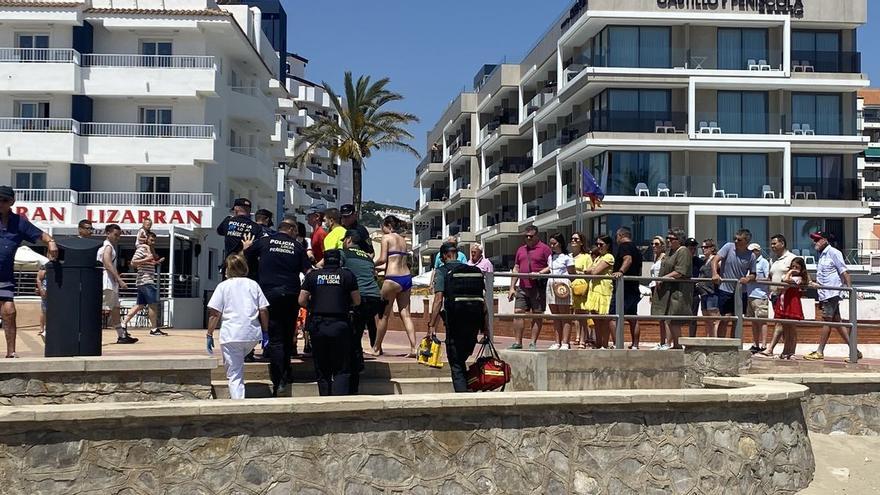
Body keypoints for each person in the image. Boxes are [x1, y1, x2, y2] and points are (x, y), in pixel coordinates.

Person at [242, 216, 310, 396]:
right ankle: (285, 374)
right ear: (293, 230)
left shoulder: (264, 242)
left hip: (268, 295)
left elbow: (245, 258)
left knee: (275, 338)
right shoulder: (298, 247)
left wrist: (246, 247)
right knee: (287, 335)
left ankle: (279, 380)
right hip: (291, 295)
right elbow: (307, 272)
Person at [0, 186, 57, 358]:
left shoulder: (19, 222)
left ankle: (11, 352)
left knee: (9, 312)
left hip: (4, 277)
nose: (0, 203)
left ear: (11, 202)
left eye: (4, 200)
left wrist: (51, 242)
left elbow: (41, 235)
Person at [298, 249, 361, 396]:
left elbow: (301, 300)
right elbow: (357, 300)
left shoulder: (313, 276)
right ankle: (340, 402)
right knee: (342, 367)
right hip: (340, 324)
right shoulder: (347, 275)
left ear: (324, 260)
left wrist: (313, 306)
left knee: (322, 366)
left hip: (318, 324)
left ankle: (324, 399)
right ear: (339, 260)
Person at [206, 254, 269, 400]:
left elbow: (215, 313)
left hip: (232, 335)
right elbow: (263, 310)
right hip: (252, 334)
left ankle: (238, 402)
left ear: (228, 269)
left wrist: (209, 334)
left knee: (234, 373)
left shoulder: (223, 286)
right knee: (236, 361)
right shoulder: (253, 285)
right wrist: (265, 332)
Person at [428, 242, 486, 392]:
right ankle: (468, 388)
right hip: (474, 323)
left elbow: (438, 299)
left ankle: (463, 396)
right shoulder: (474, 271)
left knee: (456, 362)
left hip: (455, 323)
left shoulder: (442, 271)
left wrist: (431, 326)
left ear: (445, 256)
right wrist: (486, 328)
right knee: (462, 359)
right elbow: (483, 302)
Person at [804, 231, 861, 361]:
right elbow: (826, 276)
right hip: (825, 293)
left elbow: (844, 271)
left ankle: (819, 351)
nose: (815, 242)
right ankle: (854, 350)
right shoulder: (822, 255)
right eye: (814, 240)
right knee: (837, 322)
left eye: (817, 239)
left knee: (826, 320)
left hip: (832, 293)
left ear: (825, 240)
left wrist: (850, 289)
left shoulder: (834, 252)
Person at [341, 229, 382, 393]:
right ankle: (357, 365)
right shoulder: (367, 256)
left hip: (359, 297)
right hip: (374, 298)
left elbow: (328, 267)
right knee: (356, 332)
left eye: (344, 240)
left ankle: (354, 369)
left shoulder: (344, 253)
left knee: (352, 334)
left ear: (349, 240)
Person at [373, 215, 417, 356]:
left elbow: (383, 259)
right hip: (406, 277)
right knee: (406, 314)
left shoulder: (387, 238)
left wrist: (371, 264)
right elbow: (395, 259)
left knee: (383, 316)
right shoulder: (403, 240)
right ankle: (413, 347)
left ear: (387, 225)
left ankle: (376, 347)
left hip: (392, 279)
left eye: (382, 227)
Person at [508, 226, 552, 350]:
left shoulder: (545, 249)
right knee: (518, 313)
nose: (528, 238)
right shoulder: (521, 250)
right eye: (526, 236)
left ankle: (533, 342)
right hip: (522, 287)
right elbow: (516, 267)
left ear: (537, 236)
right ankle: (518, 342)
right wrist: (512, 287)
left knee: (537, 314)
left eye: (531, 236)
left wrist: (540, 273)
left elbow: (551, 266)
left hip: (538, 287)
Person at [651, 228, 692, 350]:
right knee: (668, 319)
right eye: (667, 238)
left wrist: (663, 278)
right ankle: (674, 345)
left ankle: (678, 346)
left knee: (674, 320)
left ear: (679, 240)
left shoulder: (683, 251)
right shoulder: (670, 252)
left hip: (678, 291)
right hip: (667, 291)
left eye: (671, 238)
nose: (668, 240)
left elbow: (680, 271)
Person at [711, 229, 757, 338]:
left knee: (737, 319)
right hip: (725, 289)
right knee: (725, 318)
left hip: (741, 291)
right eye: (734, 238)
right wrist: (714, 273)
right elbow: (715, 260)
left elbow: (754, 274)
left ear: (746, 241)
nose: (736, 241)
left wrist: (748, 278)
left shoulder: (751, 256)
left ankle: (734, 344)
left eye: (739, 239)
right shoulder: (728, 247)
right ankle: (721, 345)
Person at [121, 231, 167, 336]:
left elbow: (144, 262)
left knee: (140, 305)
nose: (153, 242)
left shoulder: (148, 249)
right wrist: (148, 258)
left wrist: (155, 262)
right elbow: (133, 262)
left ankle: (123, 324)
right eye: (151, 239)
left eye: (154, 240)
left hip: (144, 281)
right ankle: (154, 329)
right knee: (153, 304)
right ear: (146, 239)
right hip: (146, 281)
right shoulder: (142, 248)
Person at [98, 224, 135, 344]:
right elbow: (107, 264)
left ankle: (121, 335)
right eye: (115, 235)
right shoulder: (107, 247)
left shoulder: (109, 247)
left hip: (110, 283)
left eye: (119, 235)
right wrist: (119, 279)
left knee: (115, 309)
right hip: (107, 282)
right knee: (102, 310)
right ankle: (90, 335)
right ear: (107, 233)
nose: (117, 237)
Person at [762, 234, 797, 357]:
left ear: (782, 243)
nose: (772, 246)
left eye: (774, 243)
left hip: (786, 296)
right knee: (783, 324)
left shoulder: (792, 258)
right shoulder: (773, 259)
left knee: (784, 323)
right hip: (775, 296)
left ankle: (771, 349)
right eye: (771, 244)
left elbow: (799, 275)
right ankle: (787, 351)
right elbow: (771, 277)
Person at [610, 227, 644, 348]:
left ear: (620, 235)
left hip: (623, 289)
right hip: (633, 288)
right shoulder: (637, 249)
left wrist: (620, 271)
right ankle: (635, 345)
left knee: (613, 317)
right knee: (632, 317)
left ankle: (617, 344)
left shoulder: (624, 246)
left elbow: (628, 259)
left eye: (616, 236)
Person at [540, 233, 575, 350]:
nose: (552, 246)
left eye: (554, 243)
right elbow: (549, 268)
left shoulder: (567, 257)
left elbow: (572, 273)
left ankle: (565, 342)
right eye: (550, 243)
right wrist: (539, 273)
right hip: (551, 284)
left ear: (560, 243)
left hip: (562, 286)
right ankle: (557, 341)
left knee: (564, 315)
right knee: (555, 316)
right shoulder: (551, 257)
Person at [215, 197, 264, 279]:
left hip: (230, 267)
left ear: (236, 209)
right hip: (248, 268)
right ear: (249, 211)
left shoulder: (228, 221)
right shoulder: (256, 227)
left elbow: (219, 231)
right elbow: (259, 247)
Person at [774, 257, 809, 360]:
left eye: (796, 267)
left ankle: (792, 351)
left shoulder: (799, 278)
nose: (794, 269)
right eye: (792, 266)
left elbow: (786, 280)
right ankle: (785, 351)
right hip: (784, 302)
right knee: (785, 328)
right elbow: (781, 286)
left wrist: (790, 272)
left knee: (792, 329)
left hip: (792, 303)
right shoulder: (789, 275)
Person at [586, 235, 615, 349]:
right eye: (597, 244)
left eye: (601, 244)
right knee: (595, 320)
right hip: (594, 290)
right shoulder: (598, 257)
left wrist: (589, 270)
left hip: (604, 291)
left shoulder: (609, 257)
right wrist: (589, 270)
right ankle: (598, 343)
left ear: (607, 245)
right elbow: (588, 269)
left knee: (604, 320)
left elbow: (594, 271)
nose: (598, 247)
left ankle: (604, 344)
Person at [569, 232, 593, 348]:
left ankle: (583, 340)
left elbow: (589, 273)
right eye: (572, 239)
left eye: (576, 239)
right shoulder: (568, 256)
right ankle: (577, 336)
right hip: (570, 288)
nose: (573, 241)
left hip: (581, 288)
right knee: (575, 315)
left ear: (581, 242)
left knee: (582, 315)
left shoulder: (586, 257)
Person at [746, 243, 770, 354]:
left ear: (757, 251)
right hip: (750, 295)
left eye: (752, 251)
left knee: (762, 321)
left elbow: (768, 278)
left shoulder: (764, 262)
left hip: (760, 295)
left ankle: (764, 345)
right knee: (754, 321)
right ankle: (755, 344)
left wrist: (755, 279)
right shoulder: (749, 262)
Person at [696, 239, 721, 337]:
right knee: (706, 319)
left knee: (714, 318)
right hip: (703, 293)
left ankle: (715, 340)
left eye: (705, 247)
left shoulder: (715, 259)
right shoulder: (704, 260)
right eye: (702, 247)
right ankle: (709, 339)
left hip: (712, 292)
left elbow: (722, 269)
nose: (703, 249)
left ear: (712, 248)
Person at [649, 236, 668, 348]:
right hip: (654, 288)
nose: (654, 246)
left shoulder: (664, 257)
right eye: (652, 244)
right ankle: (662, 342)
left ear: (662, 245)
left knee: (665, 318)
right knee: (659, 317)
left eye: (656, 244)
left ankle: (667, 342)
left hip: (662, 288)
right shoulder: (655, 257)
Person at [685, 238, 704, 338]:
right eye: (690, 248)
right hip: (682, 293)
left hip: (694, 293)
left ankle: (691, 339)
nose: (692, 251)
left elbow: (704, 274)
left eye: (694, 248)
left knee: (693, 318)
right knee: (676, 318)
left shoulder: (698, 261)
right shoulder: (680, 260)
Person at [36, 263, 47, 338]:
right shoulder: (43, 269)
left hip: (52, 293)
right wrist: (41, 290)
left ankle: (44, 328)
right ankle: (42, 328)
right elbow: (39, 279)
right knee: (44, 310)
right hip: (45, 292)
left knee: (46, 311)